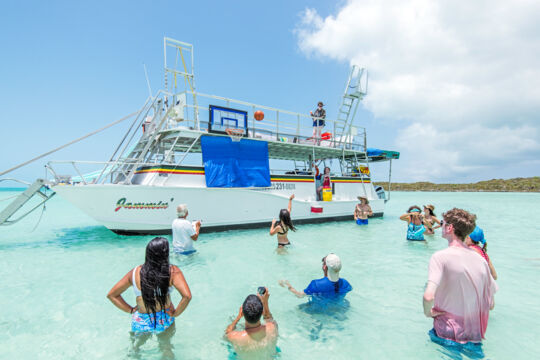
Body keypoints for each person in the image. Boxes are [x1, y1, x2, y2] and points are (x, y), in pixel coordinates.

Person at [423, 208, 498, 346]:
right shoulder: (480, 259)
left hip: (447, 331)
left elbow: (428, 296)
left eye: (442, 223)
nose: (441, 226)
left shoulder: (439, 257)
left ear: (449, 228)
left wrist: (428, 312)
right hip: (474, 333)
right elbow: (491, 304)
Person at [107, 237, 192, 358]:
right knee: (166, 349)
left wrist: (130, 310)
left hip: (141, 320)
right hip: (164, 318)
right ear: (165, 254)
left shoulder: (135, 272)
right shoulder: (172, 271)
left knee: (135, 349)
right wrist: (176, 313)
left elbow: (112, 295)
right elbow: (187, 296)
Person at [225, 288, 278, 359]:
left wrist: (238, 318)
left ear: (242, 313)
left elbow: (227, 333)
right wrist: (265, 302)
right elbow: (268, 318)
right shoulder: (272, 328)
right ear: (262, 312)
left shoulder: (235, 337)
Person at [279, 253, 352, 298]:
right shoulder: (346, 284)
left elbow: (300, 296)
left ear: (324, 267)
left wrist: (289, 286)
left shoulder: (316, 284)